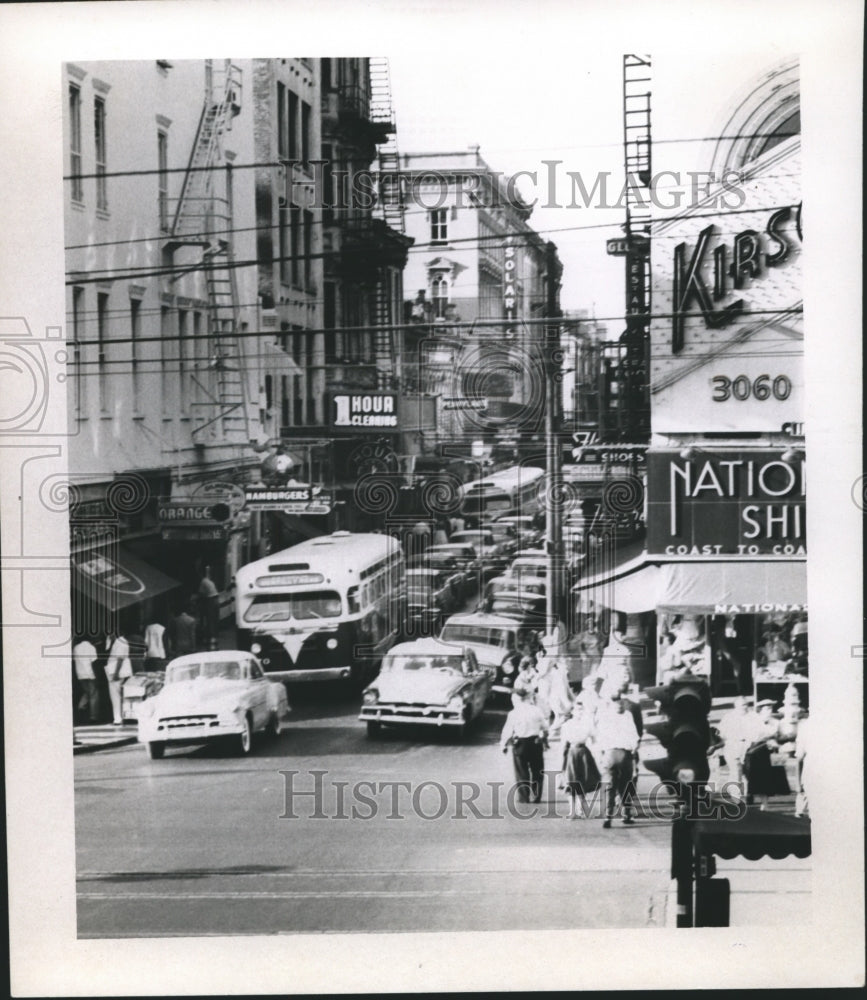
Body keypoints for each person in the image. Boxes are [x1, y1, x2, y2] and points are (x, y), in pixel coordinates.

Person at [593, 690, 641, 828]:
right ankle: (626, 814)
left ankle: (608, 816)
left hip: (609, 754)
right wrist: (634, 752)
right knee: (626, 785)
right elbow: (635, 738)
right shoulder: (628, 715)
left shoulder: (605, 716)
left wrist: (601, 756)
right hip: (625, 754)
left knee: (610, 786)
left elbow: (599, 738)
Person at [500, 688, 549, 804]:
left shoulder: (513, 713)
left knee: (521, 771)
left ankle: (524, 797)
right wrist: (544, 739)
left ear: (517, 699)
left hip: (520, 744)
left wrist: (503, 745)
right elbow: (545, 727)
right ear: (527, 698)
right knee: (537, 771)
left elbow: (507, 731)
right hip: (535, 743)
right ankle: (536, 796)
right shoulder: (537, 710)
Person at [559, 701, 601, 819]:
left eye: (582, 709)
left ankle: (581, 810)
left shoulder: (587, 723)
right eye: (578, 710)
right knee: (571, 782)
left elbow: (595, 738)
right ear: (572, 711)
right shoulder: (567, 725)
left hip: (584, 753)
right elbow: (563, 744)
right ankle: (572, 812)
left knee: (582, 782)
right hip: (571, 753)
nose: (580, 712)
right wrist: (562, 761)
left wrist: (597, 753)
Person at [535, 654, 574, 738]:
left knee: (554, 711)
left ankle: (550, 731)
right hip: (547, 693)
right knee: (551, 712)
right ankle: (551, 732)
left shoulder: (556, 673)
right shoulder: (553, 671)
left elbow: (563, 687)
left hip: (551, 693)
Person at [105, 630, 133, 725]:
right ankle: (119, 717)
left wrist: (116, 673)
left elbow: (120, 659)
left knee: (115, 695)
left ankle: (117, 718)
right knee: (118, 695)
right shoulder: (118, 642)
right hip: (116, 670)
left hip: (116, 671)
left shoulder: (120, 642)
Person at [72, 634, 99, 723]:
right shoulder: (91, 648)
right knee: (93, 695)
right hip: (90, 674)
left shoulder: (76, 648)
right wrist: (96, 675)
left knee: (87, 692)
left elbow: (75, 660)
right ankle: (93, 717)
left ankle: (80, 707)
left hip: (80, 674)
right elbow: (94, 663)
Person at [198, 567, 220, 650]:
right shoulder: (209, 581)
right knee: (214, 620)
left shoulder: (203, 582)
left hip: (210, 601)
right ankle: (214, 639)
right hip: (216, 600)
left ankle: (210, 639)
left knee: (209, 620)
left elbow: (201, 593)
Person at [793, 714, 809, 818]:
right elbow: (799, 754)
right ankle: (800, 810)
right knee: (805, 788)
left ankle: (800, 811)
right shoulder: (805, 726)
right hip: (811, 760)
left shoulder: (805, 725)